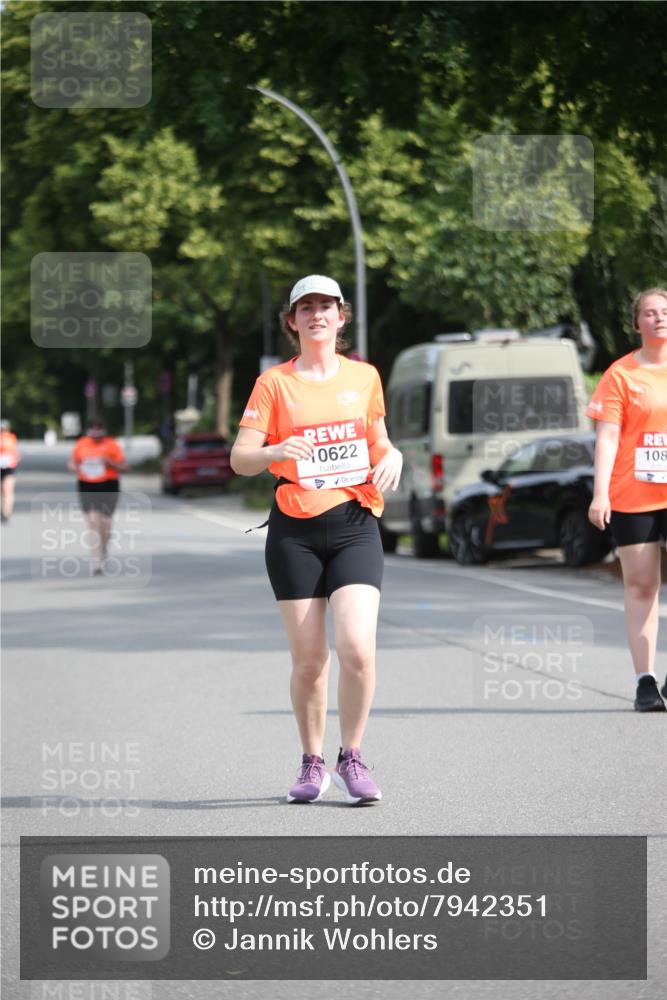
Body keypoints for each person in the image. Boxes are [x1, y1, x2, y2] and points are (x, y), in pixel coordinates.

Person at [231, 275, 403, 804]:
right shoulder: (274, 384)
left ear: (341, 316)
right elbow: (241, 459)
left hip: (354, 523)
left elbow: (376, 437)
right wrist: (277, 450)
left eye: (326, 306)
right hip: (294, 531)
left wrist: (391, 453)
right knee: (309, 660)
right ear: (292, 321)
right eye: (306, 307)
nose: (316, 315)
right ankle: (312, 762)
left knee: (356, 648)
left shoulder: (365, 377)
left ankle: (352, 756)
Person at [587, 287, 667, 711]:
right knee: (642, 585)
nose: (659, 318)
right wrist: (600, 494)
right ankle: (645, 681)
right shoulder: (621, 375)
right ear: (637, 324)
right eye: (650, 313)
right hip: (633, 494)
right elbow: (608, 437)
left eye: (665, 311)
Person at [68, 418, 127, 575]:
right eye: (92, 428)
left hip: (108, 484)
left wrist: (109, 462)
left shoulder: (111, 444)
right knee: (93, 521)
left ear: (103, 430)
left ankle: (104, 547)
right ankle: (97, 561)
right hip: (87, 485)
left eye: (98, 428)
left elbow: (125, 466)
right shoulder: (82, 444)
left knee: (106, 523)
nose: (95, 432)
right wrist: (76, 467)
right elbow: (72, 463)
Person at [0, 418, 20, 523]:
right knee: (2, 492)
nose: (2, 431)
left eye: (4, 429)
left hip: (8, 468)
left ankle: (7, 513)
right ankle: (2, 510)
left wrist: (14, 460)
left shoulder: (11, 438)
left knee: (7, 490)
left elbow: (15, 453)